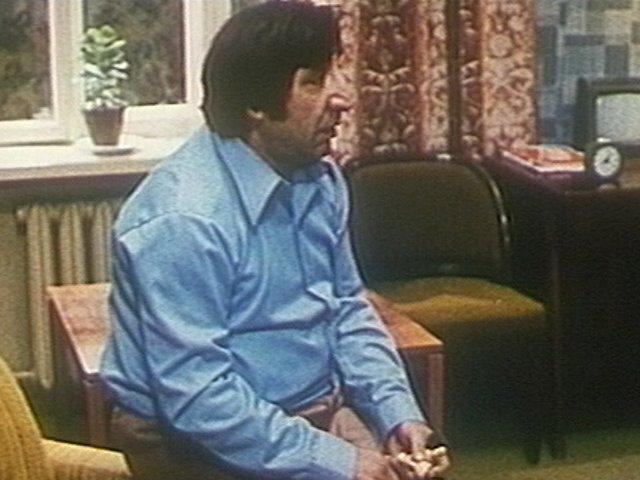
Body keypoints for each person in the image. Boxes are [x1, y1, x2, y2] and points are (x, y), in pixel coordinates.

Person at [100, 1, 450, 479]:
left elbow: (347, 309)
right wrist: (339, 461)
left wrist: (395, 413)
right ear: (256, 106)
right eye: (314, 81)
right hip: (196, 435)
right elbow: (199, 396)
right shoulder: (184, 219)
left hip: (309, 408)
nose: (342, 99)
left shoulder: (320, 178)